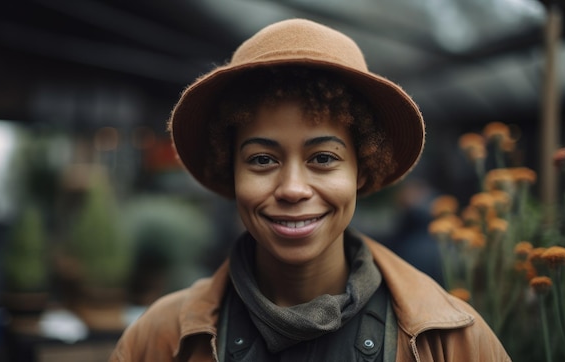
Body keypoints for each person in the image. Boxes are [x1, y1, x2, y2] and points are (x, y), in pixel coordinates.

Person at [110, 18, 510, 361]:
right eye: (263, 160)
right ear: (231, 170)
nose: (293, 189)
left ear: (361, 169)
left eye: (323, 158)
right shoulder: (158, 340)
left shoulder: (453, 341)